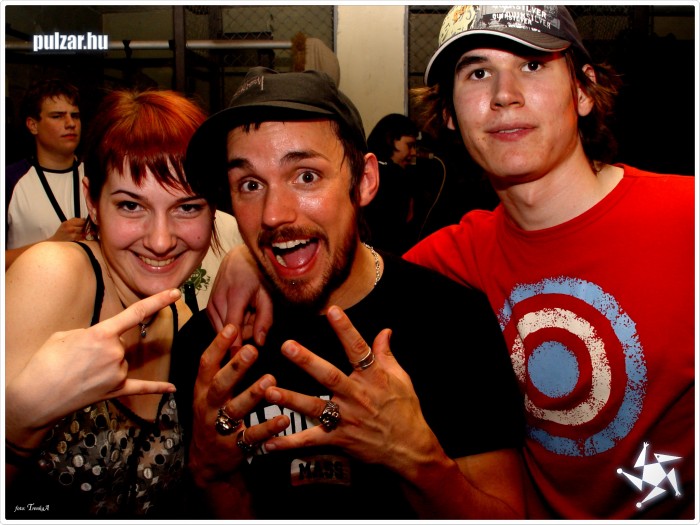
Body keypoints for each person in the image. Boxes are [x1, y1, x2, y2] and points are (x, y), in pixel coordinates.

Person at [205, 5, 695, 521]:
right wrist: (252, 256)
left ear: (584, 90)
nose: (504, 94)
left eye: (532, 64)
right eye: (478, 73)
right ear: (449, 115)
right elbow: (356, 272)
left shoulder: (687, 219)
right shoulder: (451, 258)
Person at [172, 66, 526, 520]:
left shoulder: (451, 322)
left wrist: (415, 458)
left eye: (306, 176)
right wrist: (208, 474)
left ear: (365, 181)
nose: (273, 214)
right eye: (251, 185)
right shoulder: (211, 351)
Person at [4, 89, 219, 519]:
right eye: (131, 205)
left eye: (187, 208)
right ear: (92, 200)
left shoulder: (177, 317)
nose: (161, 240)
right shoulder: (56, 274)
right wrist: (15, 427)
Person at [5, 79, 87, 269]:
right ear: (33, 125)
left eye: (75, 116)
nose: (70, 124)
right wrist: (51, 244)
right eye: (57, 116)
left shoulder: (99, 176)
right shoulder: (10, 181)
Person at [362, 113, 420, 255]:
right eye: (409, 145)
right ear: (390, 140)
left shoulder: (365, 169)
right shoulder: (395, 177)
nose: (413, 152)